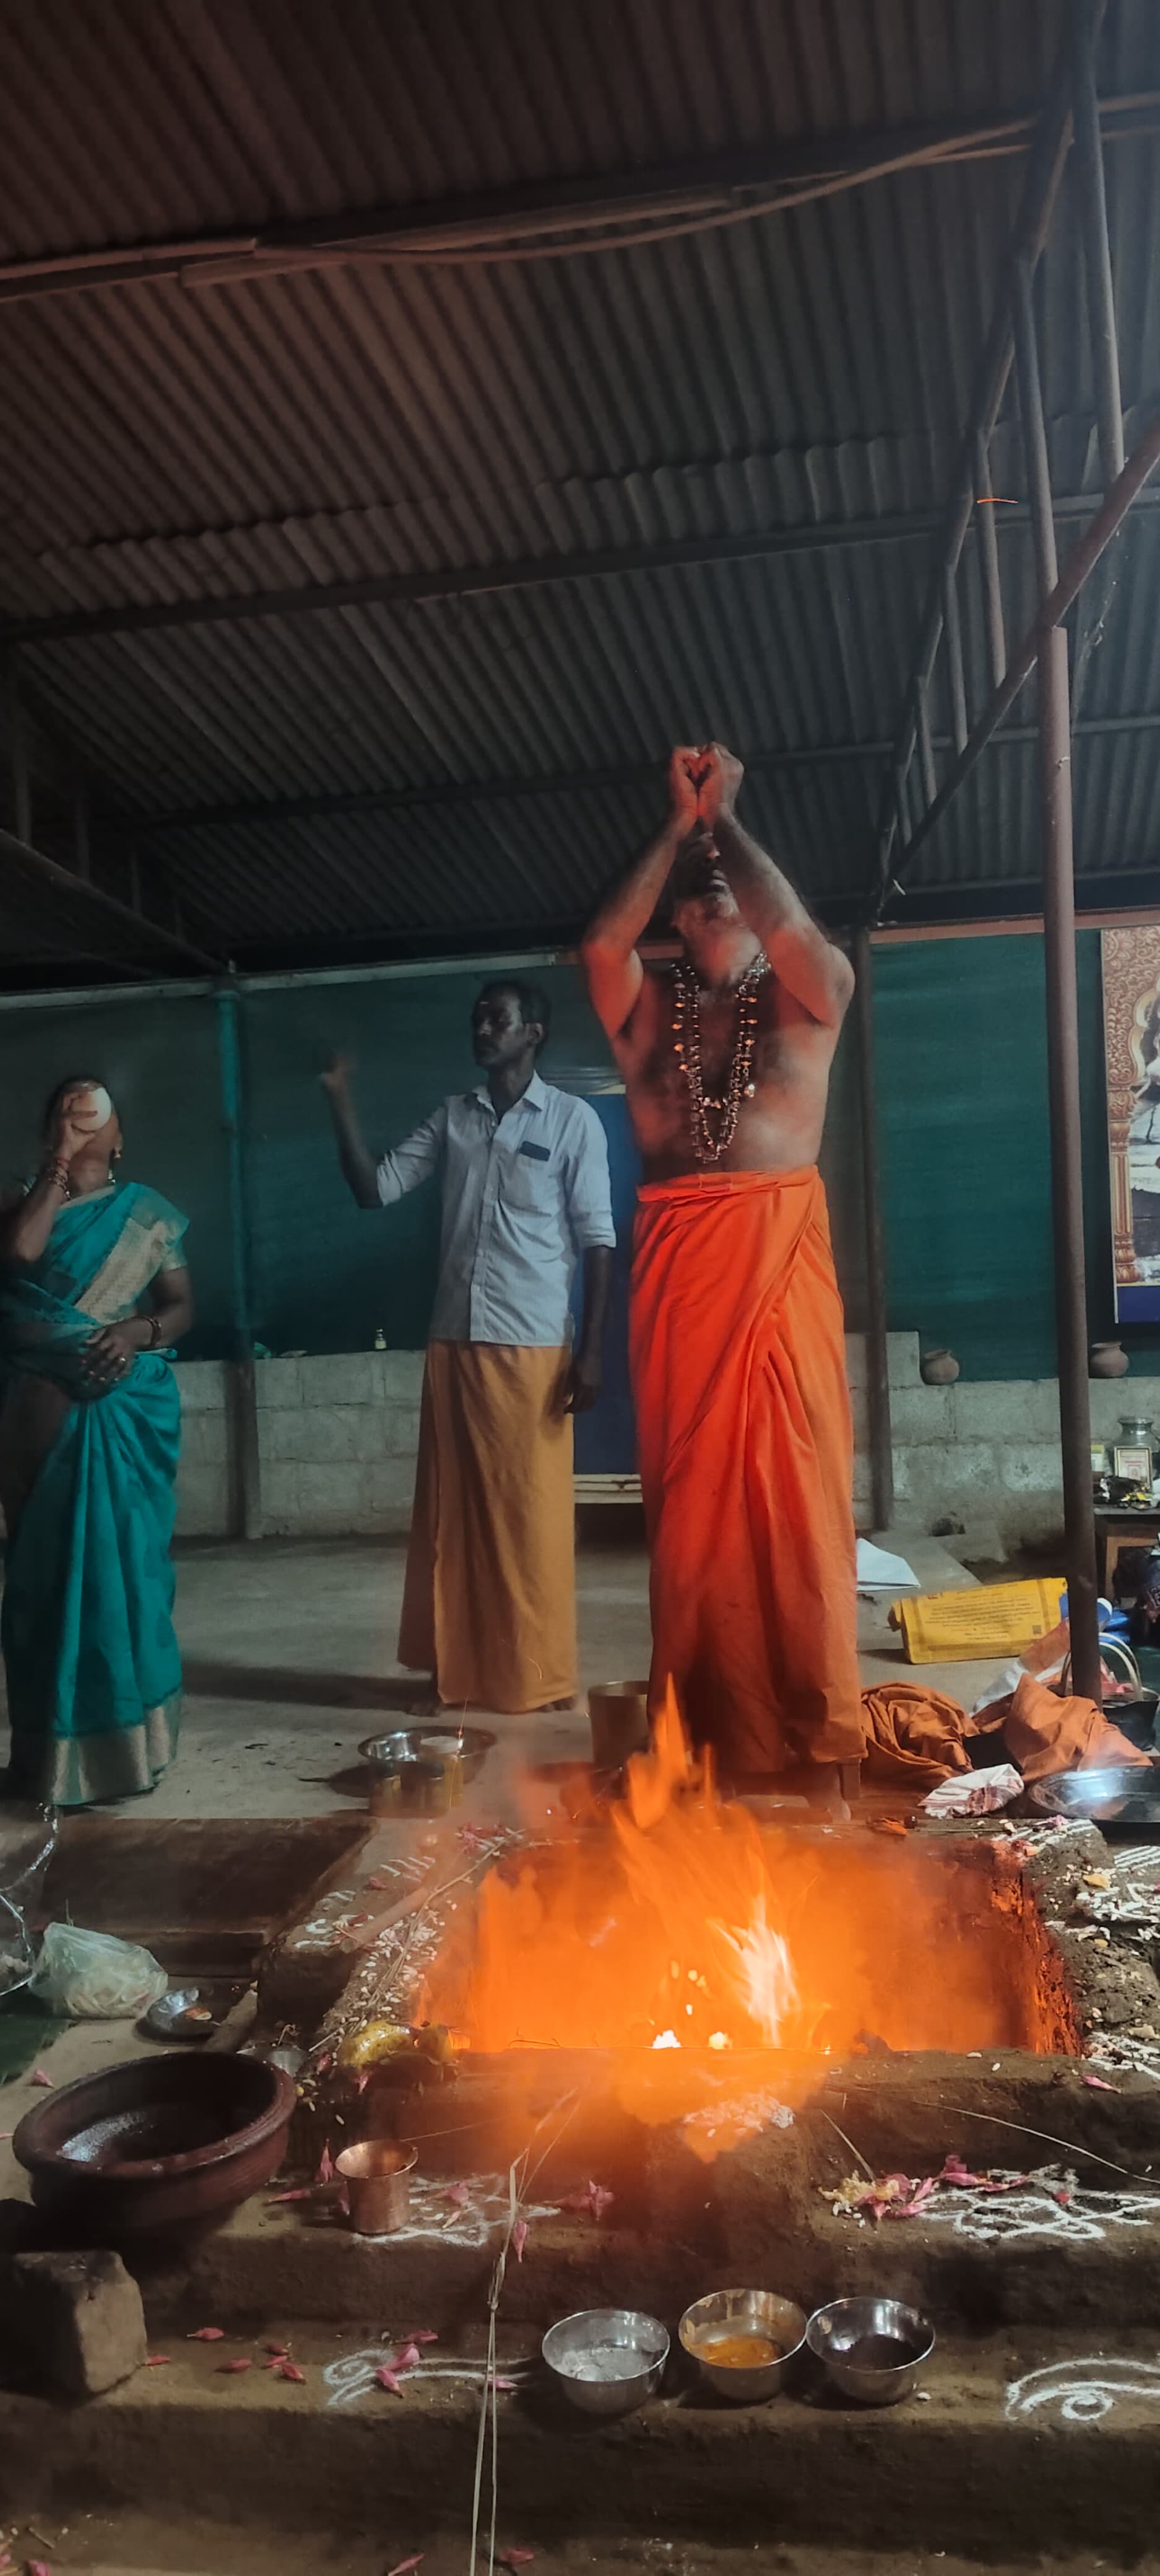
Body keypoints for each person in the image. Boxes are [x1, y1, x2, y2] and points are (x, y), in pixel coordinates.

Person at [581, 742, 862, 1807]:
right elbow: (598, 940)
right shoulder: (644, 1011)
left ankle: (824, 1747)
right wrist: (675, 822)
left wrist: (724, 820)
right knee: (690, 1522)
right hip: (680, 1270)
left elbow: (800, 940)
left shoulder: (807, 998)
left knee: (795, 1506)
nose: (708, 882)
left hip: (774, 1259)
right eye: (692, 881)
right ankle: (696, 1735)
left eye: (724, 878)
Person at [322, 980, 615, 1715]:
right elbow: (374, 1189)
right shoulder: (454, 1118)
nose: (483, 1027)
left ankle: (538, 1675)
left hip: (532, 1345)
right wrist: (339, 1100)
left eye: (499, 1017)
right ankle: (450, 1669)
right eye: (478, 1017)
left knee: (531, 1517)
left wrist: (592, 1350)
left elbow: (597, 1239)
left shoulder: (574, 1121)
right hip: (454, 1338)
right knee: (450, 1516)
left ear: (534, 1032)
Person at [0, 1078, 192, 1806]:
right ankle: (44, 1762)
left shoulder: (148, 1214)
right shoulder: (18, 1206)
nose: (81, 1116)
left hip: (121, 1414)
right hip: (33, 1418)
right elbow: (20, 1255)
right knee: (41, 1584)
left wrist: (133, 1332)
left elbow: (179, 1307)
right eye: (65, 1108)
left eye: (96, 1109)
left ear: (122, 1136)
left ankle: (127, 1756)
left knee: (127, 1580)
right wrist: (56, 1162)